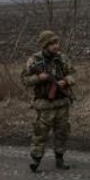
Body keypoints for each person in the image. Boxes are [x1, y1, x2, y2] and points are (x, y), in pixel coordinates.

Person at [21, 31, 76, 172]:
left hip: (62, 103)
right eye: (52, 44)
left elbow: (73, 73)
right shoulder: (34, 61)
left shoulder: (62, 58)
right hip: (45, 105)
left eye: (56, 43)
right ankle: (36, 160)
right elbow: (24, 79)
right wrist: (39, 78)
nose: (55, 46)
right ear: (45, 45)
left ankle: (60, 158)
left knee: (62, 132)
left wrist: (66, 81)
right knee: (40, 133)